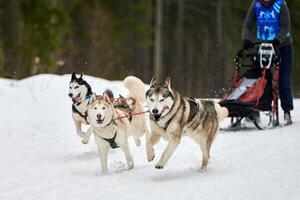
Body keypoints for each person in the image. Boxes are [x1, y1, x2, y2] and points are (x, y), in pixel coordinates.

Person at [242, 0, 293, 125]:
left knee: (283, 80)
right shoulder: (256, 5)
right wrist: (246, 39)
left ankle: (286, 111)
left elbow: (286, 26)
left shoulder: (281, 4)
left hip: (282, 47)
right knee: (258, 79)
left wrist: (278, 40)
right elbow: (247, 25)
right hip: (262, 46)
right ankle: (255, 109)